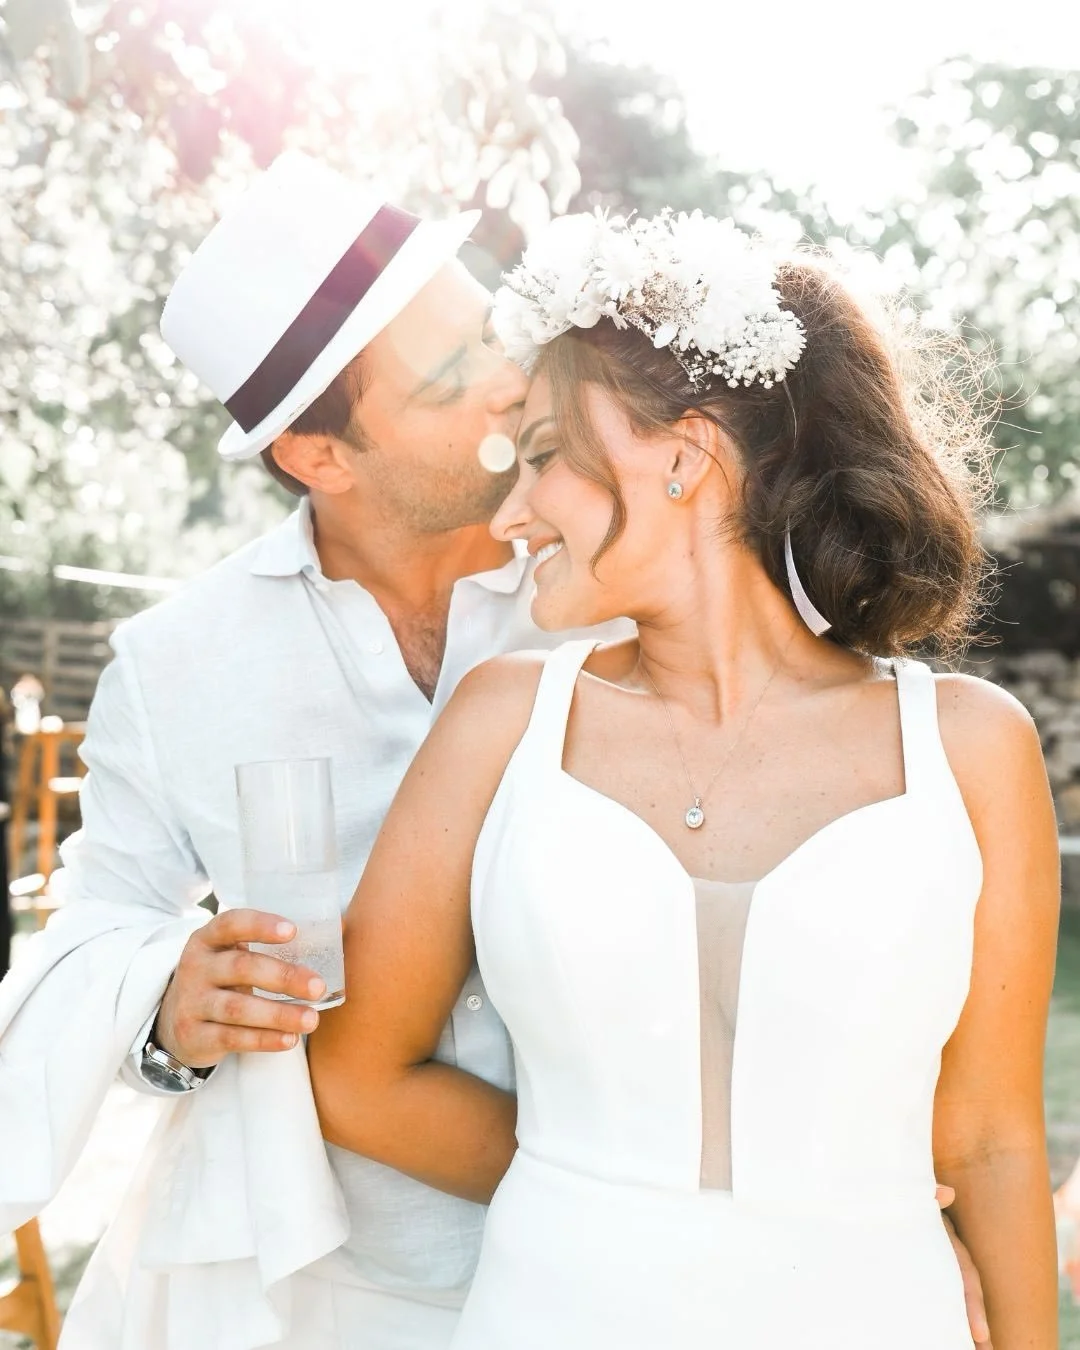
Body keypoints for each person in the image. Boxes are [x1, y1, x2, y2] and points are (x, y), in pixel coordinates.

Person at [306, 210, 1060, 1348]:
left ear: (687, 454)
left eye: (548, 455)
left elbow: (995, 1143)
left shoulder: (969, 749)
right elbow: (357, 1076)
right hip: (553, 1315)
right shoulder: (502, 725)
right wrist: (609, 1191)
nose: (508, 514)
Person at [0, 152, 619, 1350]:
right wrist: (168, 1005)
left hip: (614, 1250)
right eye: (453, 376)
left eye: (493, 338)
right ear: (319, 458)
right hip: (325, 1283)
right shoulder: (178, 663)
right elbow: (89, 930)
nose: (510, 385)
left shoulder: (615, 582)